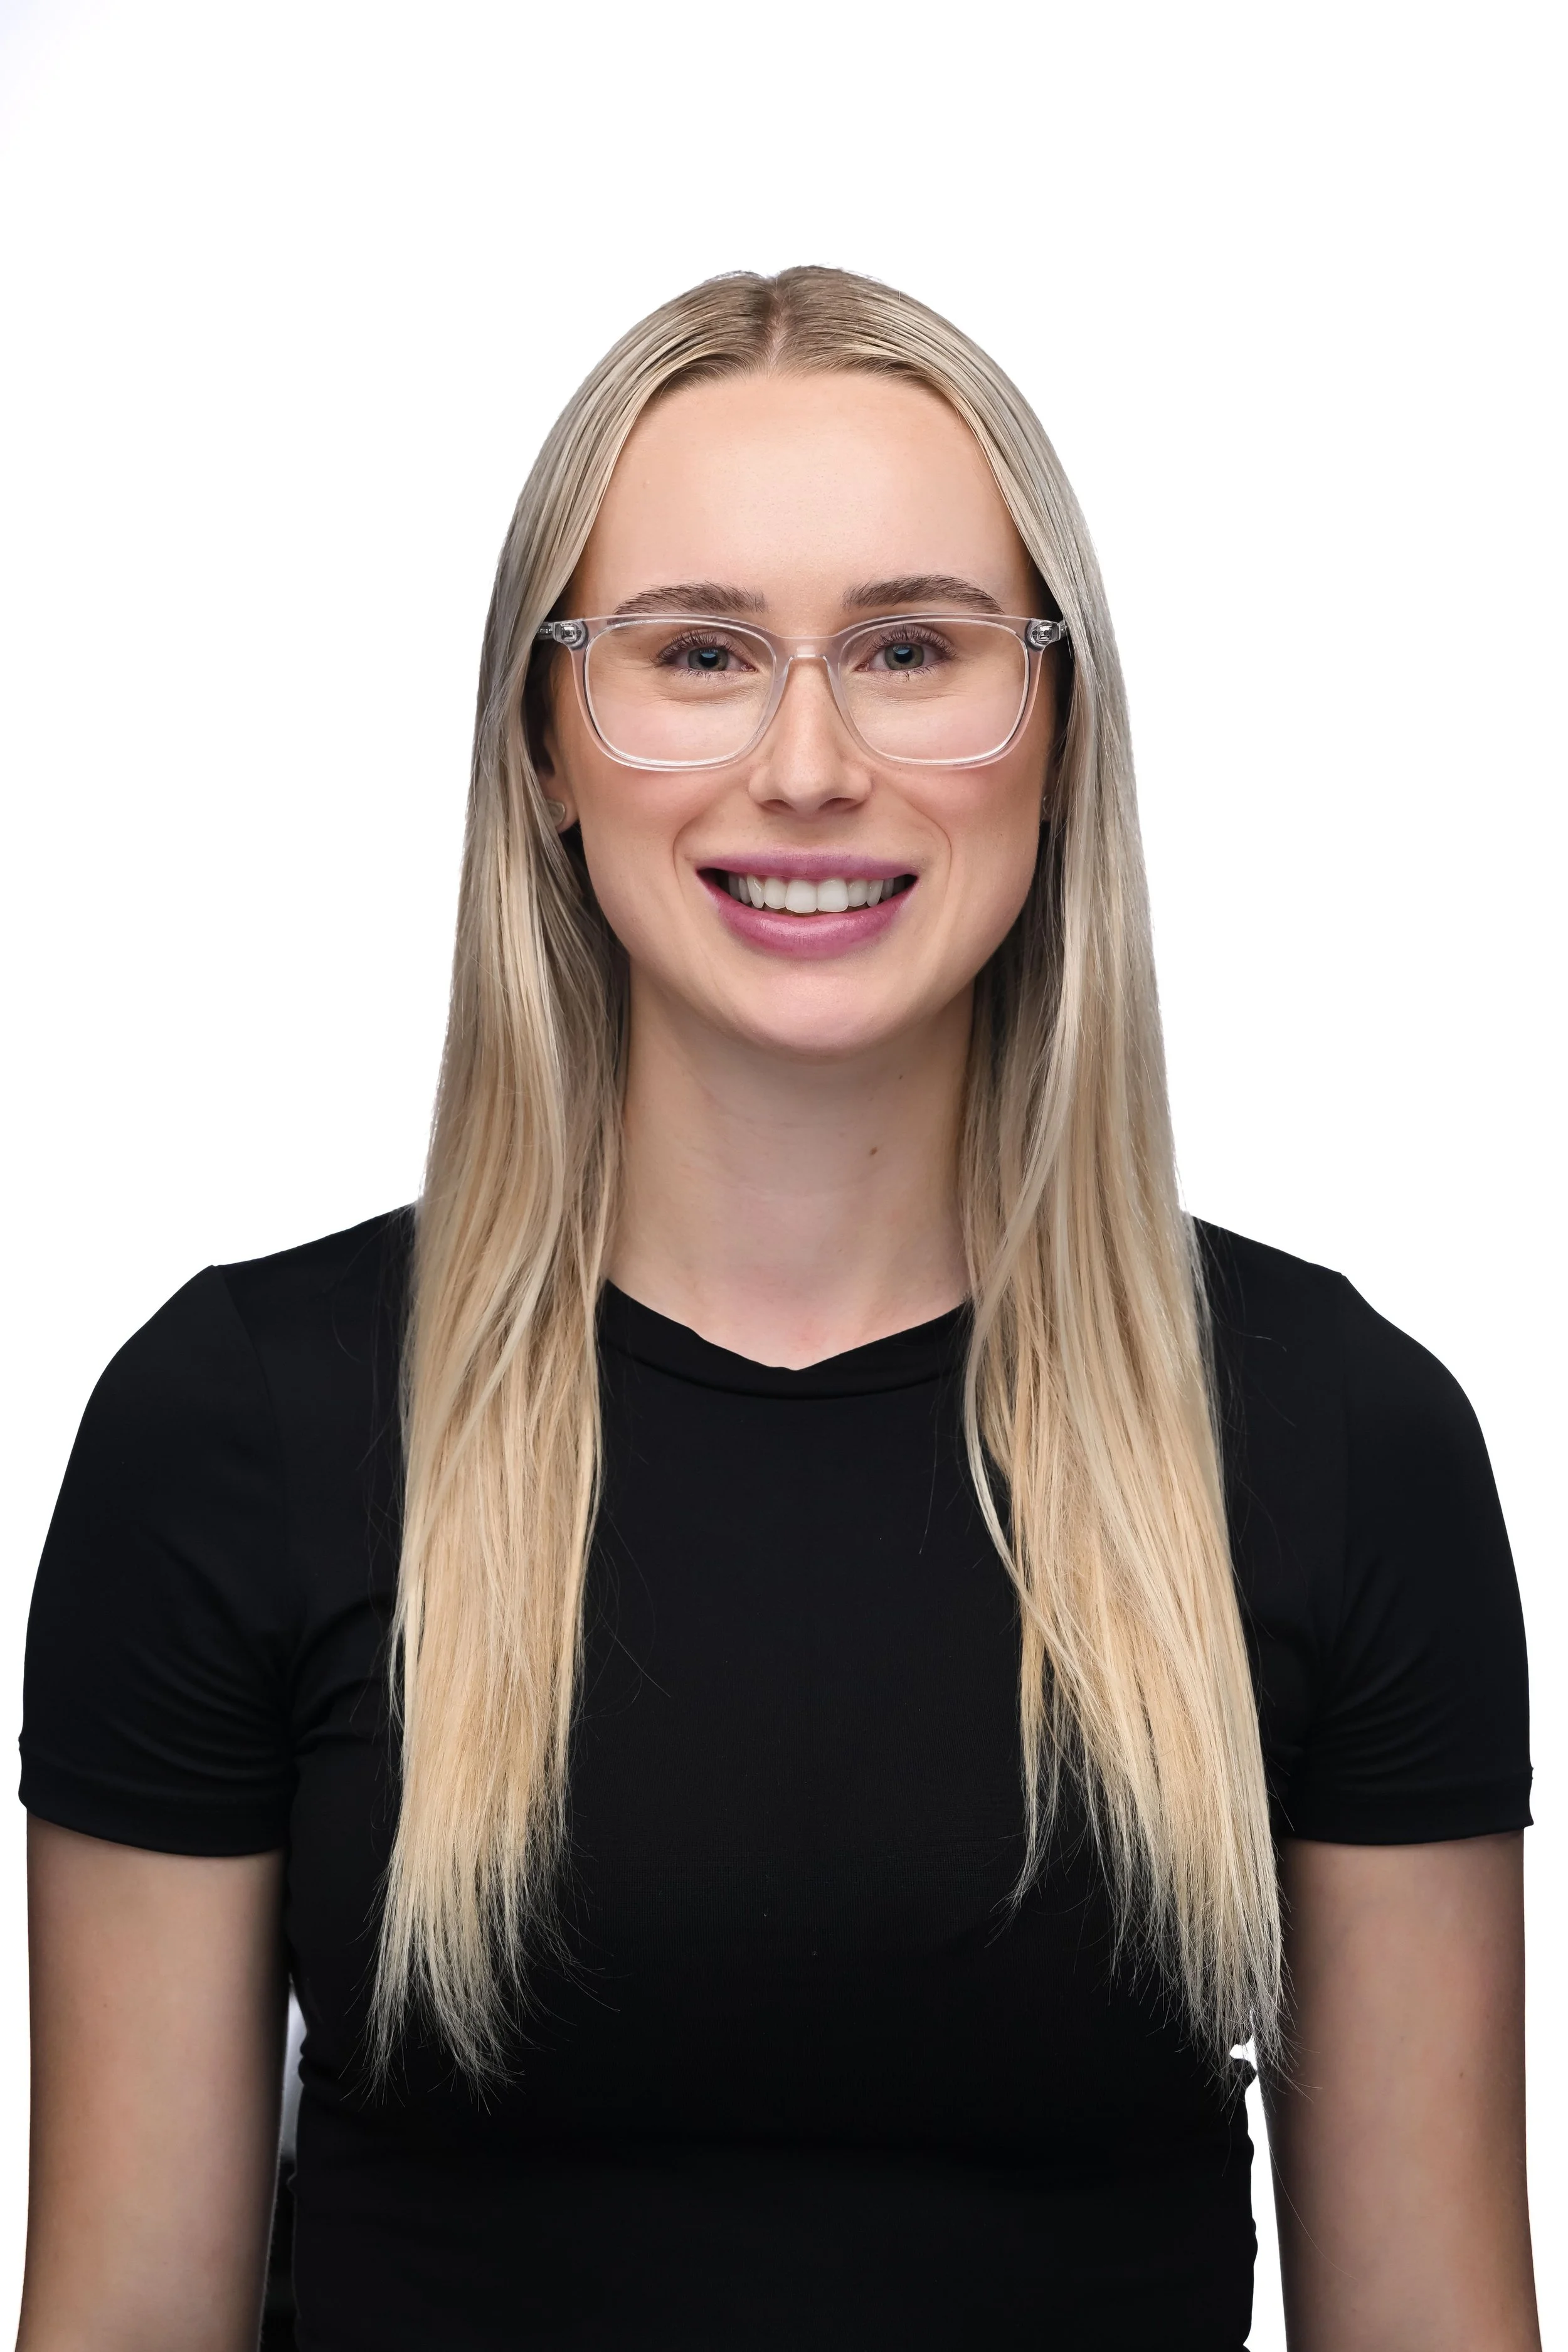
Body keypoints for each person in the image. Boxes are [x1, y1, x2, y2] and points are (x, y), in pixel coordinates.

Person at [16, 267, 1538, 2352]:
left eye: (913, 649)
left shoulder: (1336, 1438)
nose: (805, 762)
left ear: (1058, 734)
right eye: (699, 652)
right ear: (545, 744)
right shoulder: (239, 1425)